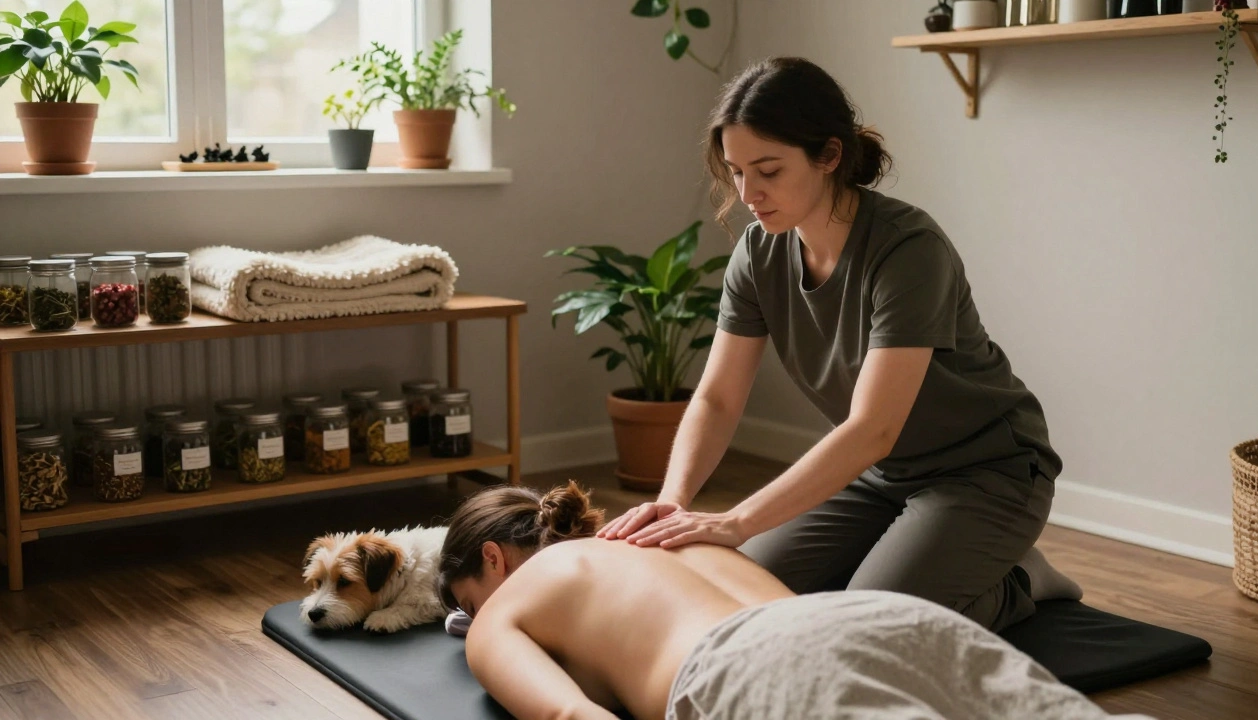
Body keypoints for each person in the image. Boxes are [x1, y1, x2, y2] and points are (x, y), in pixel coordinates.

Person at [598, 56, 1080, 633]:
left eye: (768, 170)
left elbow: (873, 427)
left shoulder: (909, 249)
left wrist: (737, 521)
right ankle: (923, 562)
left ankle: (1018, 580)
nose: (748, 192)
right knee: (746, 597)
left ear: (829, 156)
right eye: (736, 171)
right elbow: (717, 399)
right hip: (878, 474)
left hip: (985, 471)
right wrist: (674, 500)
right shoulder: (758, 253)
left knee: (866, 625)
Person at [437, 481, 1151, 720]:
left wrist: (487, 625)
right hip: (875, 618)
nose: (474, 618)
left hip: (756, 669)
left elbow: (570, 717)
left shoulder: (502, 613)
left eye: (471, 601)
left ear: (493, 559)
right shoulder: (658, 535)